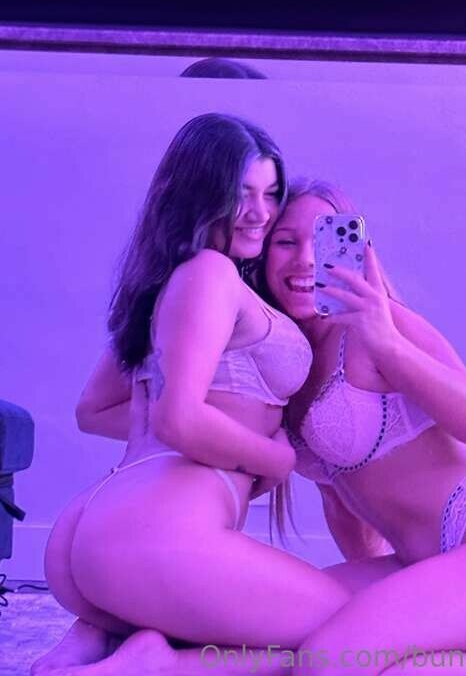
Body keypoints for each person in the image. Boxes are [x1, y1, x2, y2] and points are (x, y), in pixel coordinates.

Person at [31, 118, 360, 676]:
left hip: (107, 524)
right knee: (353, 631)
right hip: (156, 535)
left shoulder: (169, 282)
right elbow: (179, 418)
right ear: (200, 194)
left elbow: (97, 409)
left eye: (270, 193)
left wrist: (218, 422)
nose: (260, 212)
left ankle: (105, 635)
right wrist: (273, 456)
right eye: (242, 194)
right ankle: (156, 661)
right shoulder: (210, 274)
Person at [257, 178, 466, 676]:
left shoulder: (382, 326)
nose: (305, 259)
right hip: (427, 565)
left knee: (328, 660)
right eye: (286, 242)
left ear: (356, 248)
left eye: (323, 238)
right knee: (277, 623)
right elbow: (342, 504)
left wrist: (386, 342)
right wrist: (380, 607)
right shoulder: (290, 359)